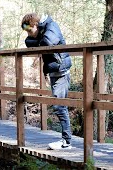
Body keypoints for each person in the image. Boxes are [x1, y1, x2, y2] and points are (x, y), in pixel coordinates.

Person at [21, 13, 72, 150]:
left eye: (29, 31)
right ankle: (66, 140)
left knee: (60, 106)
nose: (29, 34)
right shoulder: (41, 31)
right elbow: (28, 43)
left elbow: (47, 42)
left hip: (62, 71)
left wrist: (38, 42)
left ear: (36, 25)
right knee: (59, 105)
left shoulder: (52, 26)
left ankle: (66, 142)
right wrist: (36, 39)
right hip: (54, 71)